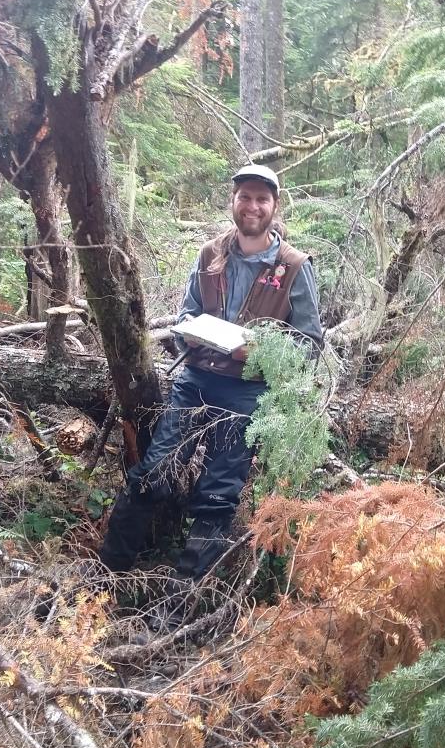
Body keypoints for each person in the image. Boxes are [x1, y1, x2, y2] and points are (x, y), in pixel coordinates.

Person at [98, 163, 324, 582]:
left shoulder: (293, 266)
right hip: (196, 382)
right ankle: (104, 579)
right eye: (245, 197)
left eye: (262, 199)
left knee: (217, 496)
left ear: (275, 206)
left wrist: (254, 354)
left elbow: (309, 344)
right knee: (151, 477)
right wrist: (191, 336)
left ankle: (182, 603)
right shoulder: (210, 254)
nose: (252, 206)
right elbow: (186, 315)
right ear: (233, 202)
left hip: (248, 393)